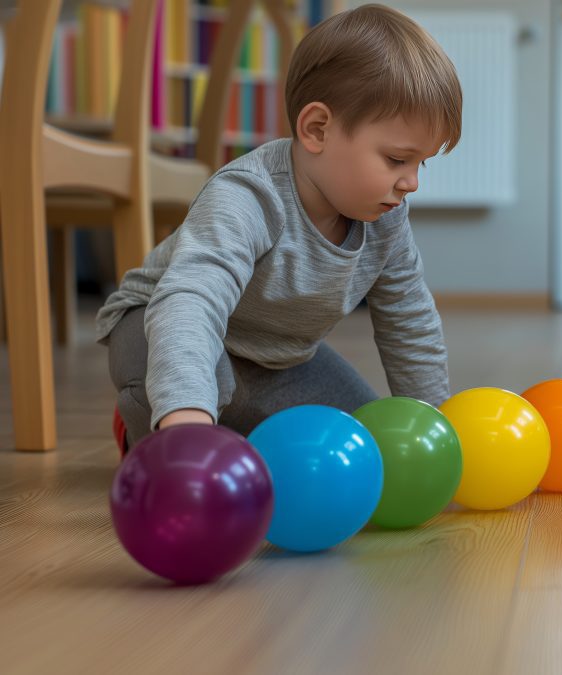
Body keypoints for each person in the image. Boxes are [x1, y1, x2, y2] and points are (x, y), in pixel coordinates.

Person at [97, 4, 462, 454]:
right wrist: (186, 417)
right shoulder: (248, 196)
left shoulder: (387, 218)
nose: (412, 182)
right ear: (317, 129)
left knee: (364, 444)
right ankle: (149, 427)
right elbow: (191, 300)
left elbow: (408, 316)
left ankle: (226, 420)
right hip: (165, 323)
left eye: (420, 162)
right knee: (196, 392)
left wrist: (434, 424)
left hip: (279, 359)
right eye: (396, 159)